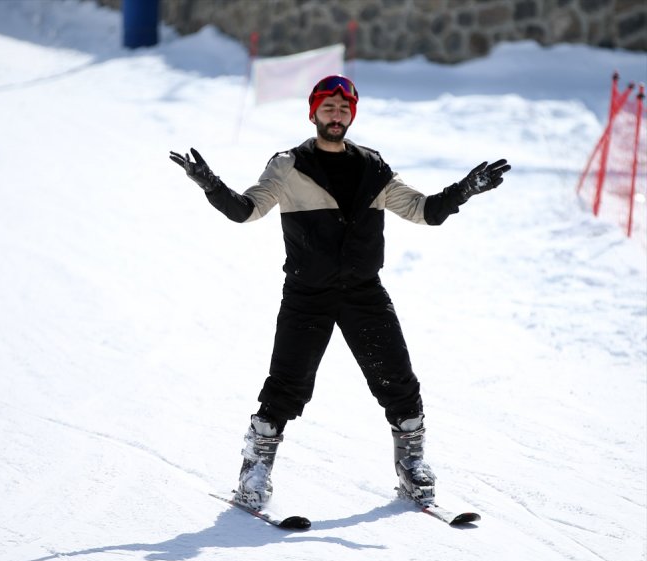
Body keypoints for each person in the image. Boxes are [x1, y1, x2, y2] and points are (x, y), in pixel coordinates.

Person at [169, 75, 510, 509]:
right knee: (286, 386)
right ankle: (254, 471)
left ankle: (411, 466)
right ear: (313, 113)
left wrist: (464, 189)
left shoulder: (373, 168)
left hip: (363, 293)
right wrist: (211, 184)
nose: (337, 115)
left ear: (352, 114)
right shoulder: (288, 166)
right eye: (328, 107)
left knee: (398, 382)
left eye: (344, 108)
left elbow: (424, 211)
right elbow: (246, 210)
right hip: (307, 294)